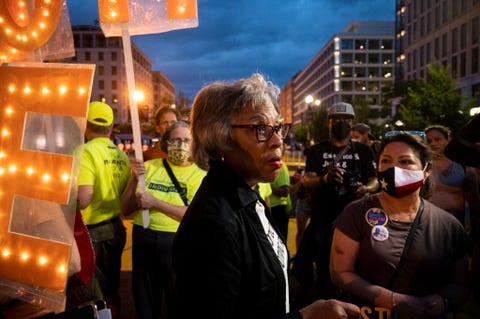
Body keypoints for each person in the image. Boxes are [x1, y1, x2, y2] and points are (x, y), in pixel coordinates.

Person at [172, 73, 360, 319]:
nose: (277, 141)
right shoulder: (213, 222)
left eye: (278, 128)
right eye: (260, 128)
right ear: (220, 137)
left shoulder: (249, 194)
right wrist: (306, 317)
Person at [330, 133, 471, 319]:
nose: (394, 168)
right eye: (386, 160)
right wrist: (393, 300)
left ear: (426, 170)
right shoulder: (355, 213)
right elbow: (340, 272)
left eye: (405, 161)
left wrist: (439, 303)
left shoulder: (449, 226)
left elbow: (460, 284)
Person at [291, 102, 378, 303]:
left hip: (355, 224)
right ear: (329, 123)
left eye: (345, 120)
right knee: (323, 269)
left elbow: (374, 180)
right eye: (336, 120)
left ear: (352, 123)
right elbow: (307, 180)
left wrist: (364, 189)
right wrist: (324, 179)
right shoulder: (316, 151)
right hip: (323, 221)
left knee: (353, 270)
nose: (341, 124)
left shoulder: (364, 151)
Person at [121, 121, 206, 319]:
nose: (181, 145)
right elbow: (125, 208)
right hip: (144, 238)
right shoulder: (149, 167)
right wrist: (135, 179)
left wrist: (155, 202)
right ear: (166, 143)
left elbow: (192, 214)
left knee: (177, 299)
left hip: (177, 242)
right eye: (176, 140)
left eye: (186, 140)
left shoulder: (199, 175)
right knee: (145, 300)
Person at [77, 101, 131, 319]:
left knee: (92, 292)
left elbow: (84, 198)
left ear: (85, 125)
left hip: (93, 234)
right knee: (111, 286)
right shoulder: (121, 155)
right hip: (116, 228)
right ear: (110, 128)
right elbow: (126, 198)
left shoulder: (85, 152)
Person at [425, 124, 479, 227]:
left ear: (448, 140)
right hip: (429, 220)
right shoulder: (422, 165)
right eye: (429, 141)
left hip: (457, 220)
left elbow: (474, 198)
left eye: (438, 139)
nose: (433, 143)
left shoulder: (463, 164)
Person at [269, 161, 291, 240]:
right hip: (267, 209)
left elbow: (285, 192)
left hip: (278, 209)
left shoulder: (280, 166)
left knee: (280, 243)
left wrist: (268, 186)